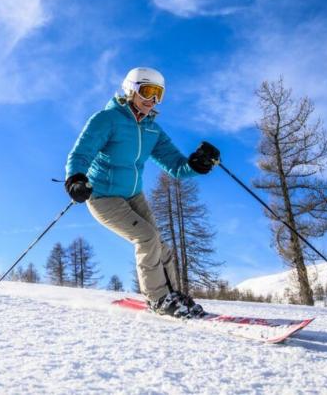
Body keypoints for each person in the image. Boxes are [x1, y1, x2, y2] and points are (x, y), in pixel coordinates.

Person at [64, 67, 220, 318]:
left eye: (159, 94)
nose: (153, 100)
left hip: (133, 195)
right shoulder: (106, 120)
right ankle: (159, 299)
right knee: (146, 237)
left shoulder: (151, 130)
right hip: (103, 196)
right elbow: (80, 153)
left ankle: (175, 296)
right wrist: (76, 179)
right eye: (148, 91)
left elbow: (177, 166)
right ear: (131, 90)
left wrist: (196, 165)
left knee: (161, 246)